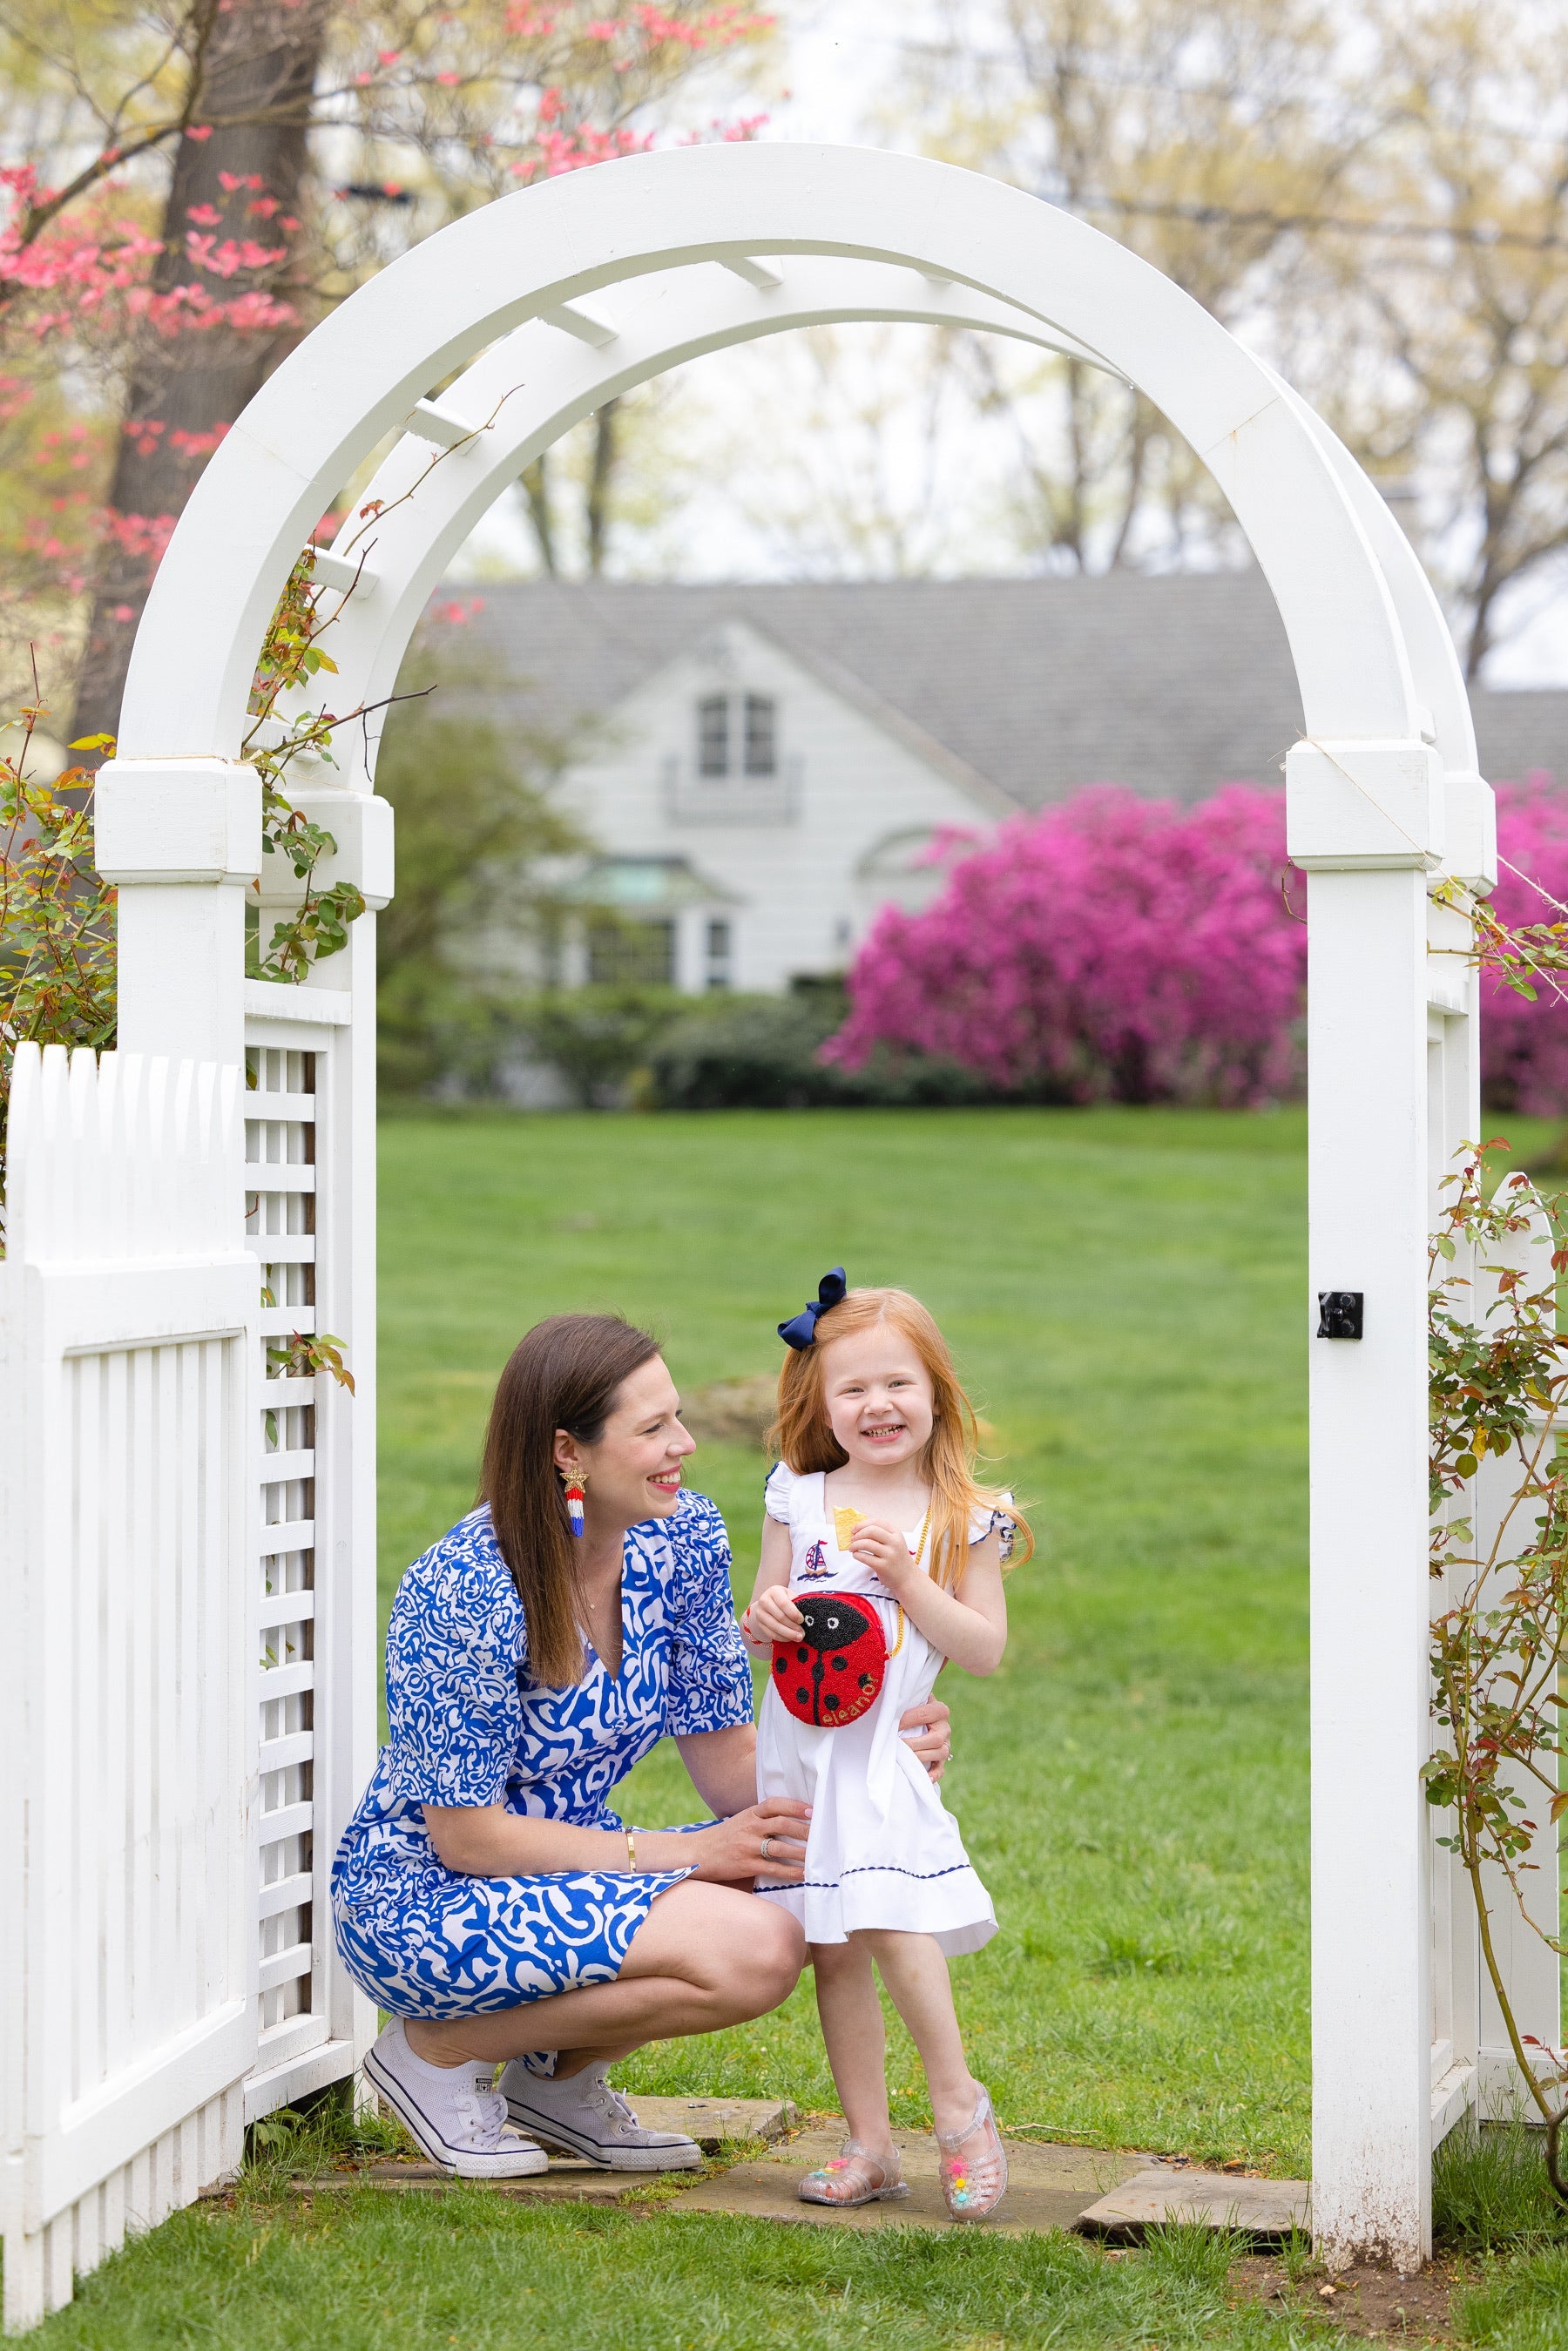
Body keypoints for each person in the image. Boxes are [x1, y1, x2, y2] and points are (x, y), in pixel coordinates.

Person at [331, 1311, 952, 2178]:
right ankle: (436, 2049)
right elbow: (466, 1836)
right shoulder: (464, 1588)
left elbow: (735, 1766)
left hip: (568, 1871)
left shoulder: (683, 1537)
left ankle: (554, 2083)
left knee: (799, 1868)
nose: (685, 1444)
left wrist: (872, 1745)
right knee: (757, 1949)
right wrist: (691, 1852)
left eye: (679, 1417)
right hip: (424, 1897)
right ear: (568, 1450)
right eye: (654, 1427)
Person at [741, 1273, 1031, 2222]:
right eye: (854, 1388)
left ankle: (960, 2105)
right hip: (806, 1750)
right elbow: (763, 1613)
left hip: (884, 1754)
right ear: (821, 1404)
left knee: (894, 1922)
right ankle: (869, 2141)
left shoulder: (958, 1515)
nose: (878, 1405)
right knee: (835, 1946)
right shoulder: (800, 1495)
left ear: (937, 1390)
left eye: (898, 1383)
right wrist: (770, 1615)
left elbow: (983, 1648)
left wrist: (908, 1575)